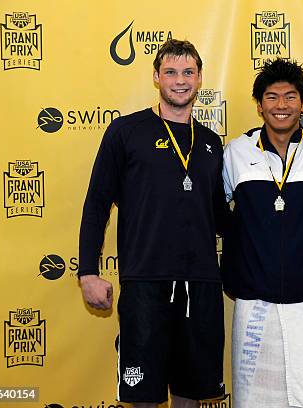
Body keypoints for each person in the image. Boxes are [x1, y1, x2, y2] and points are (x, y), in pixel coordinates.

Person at [78, 39, 229, 408]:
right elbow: (97, 204)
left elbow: (222, 218)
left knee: (191, 395)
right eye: (171, 72)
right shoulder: (125, 132)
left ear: (200, 78)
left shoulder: (210, 142)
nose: (180, 81)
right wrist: (87, 271)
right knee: (144, 396)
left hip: (201, 284)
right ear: (156, 77)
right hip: (145, 281)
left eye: (188, 72)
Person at [221, 58, 303, 408]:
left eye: (290, 97)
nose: (281, 106)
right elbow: (216, 215)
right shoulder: (236, 153)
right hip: (254, 305)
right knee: (253, 401)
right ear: (259, 105)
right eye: (272, 97)